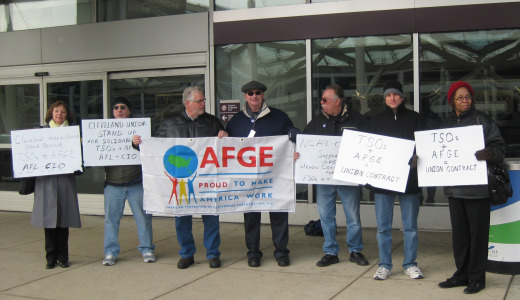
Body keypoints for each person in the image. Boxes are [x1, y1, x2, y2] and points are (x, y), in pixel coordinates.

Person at [133, 86, 227, 269]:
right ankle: (186, 254)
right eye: (199, 101)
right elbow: (155, 148)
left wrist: (225, 135)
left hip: (207, 180)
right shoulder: (170, 123)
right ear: (188, 103)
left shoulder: (213, 122)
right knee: (182, 219)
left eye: (203, 100)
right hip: (181, 180)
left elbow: (225, 148)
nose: (203, 104)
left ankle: (213, 254)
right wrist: (138, 144)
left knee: (211, 217)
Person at [438, 81, 505, 294]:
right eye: (460, 97)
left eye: (467, 96)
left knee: (478, 236)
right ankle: (462, 274)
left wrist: (491, 153)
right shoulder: (445, 124)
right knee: (460, 236)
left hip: (477, 190)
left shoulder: (482, 120)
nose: (464, 100)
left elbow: (499, 147)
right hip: (454, 189)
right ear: (452, 101)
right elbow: (436, 151)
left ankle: (477, 278)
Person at [225, 80, 299, 268]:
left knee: (279, 214)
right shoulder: (235, 121)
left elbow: (291, 132)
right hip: (248, 178)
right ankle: (253, 253)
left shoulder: (279, 117)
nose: (254, 96)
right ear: (245, 97)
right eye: (250, 93)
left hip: (274, 176)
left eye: (258, 92)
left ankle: (281, 252)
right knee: (251, 217)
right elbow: (227, 146)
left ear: (263, 94)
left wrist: (293, 133)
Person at [298, 84, 369, 267]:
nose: (321, 103)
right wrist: (298, 153)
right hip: (324, 180)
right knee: (326, 216)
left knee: (353, 216)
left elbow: (369, 146)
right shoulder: (316, 122)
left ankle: (355, 250)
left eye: (324, 100)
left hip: (348, 178)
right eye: (321, 100)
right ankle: (330, 251)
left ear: (337, 102)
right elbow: (304, 144)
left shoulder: (358, 120)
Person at [368, 81, 426, 280]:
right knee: (383, 226)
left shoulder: (416, 119)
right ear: (384, 98)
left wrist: (417, 156)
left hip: (409, 181)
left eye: (395, 94)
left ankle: (410, 263)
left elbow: (425, 146)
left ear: (402, 97)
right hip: (383, 181)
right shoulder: (375, 121)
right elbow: (368, 151)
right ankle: (384, 264)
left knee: (410, 225)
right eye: (388, 95)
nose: (392, 98)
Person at [102, 97, 155, 266]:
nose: (119, 110)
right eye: (115, 107)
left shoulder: (140, 130)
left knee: (143, 218)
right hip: (112, 184)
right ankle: (110, 252)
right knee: (111, 220)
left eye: (123, 107)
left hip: (136, 182)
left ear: (129, 110)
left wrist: (138, 144)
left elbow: (151, 150)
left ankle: (147, 249)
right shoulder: (104, 131)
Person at [31, 100, 81, 269]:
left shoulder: (72, 133)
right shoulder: (40, 132)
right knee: (48, 220)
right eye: (56, 111)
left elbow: (80, 159)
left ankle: (63, 257)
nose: (59, 114)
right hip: (46, 182)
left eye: (63, 112)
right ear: (50, 113)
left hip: (65, 181)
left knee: (63, 220)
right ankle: (50, 258)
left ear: (68, 115)